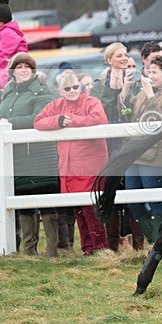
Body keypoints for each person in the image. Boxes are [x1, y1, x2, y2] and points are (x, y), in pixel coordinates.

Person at [0, 52, 60, 257]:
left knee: (46, 202)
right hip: (16, 156)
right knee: (23, 201)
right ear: (13, 71)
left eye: (27, 67)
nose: (23, 71)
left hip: (39, 156)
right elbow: (2, 113)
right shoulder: (8, 92)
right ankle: (30, 250)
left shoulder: (43, 92)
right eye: (19, 67)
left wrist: (9, 124)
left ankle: (52, 249)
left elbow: (38, 118)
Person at [34, 72, 110, 255]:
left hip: (90, 166)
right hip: (68, 167)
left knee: (91, 209)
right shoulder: (56, 106)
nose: (72, 91)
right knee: (79, 210)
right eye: (67, 88)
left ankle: (100, 247)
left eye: (75, 87)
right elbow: (38, 122)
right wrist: (58, 121)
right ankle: (88, 248)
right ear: (60, 91)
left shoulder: (91, 102)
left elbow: (99, 119)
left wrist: (73, 122)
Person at [89, 42, 142, 250]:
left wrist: (128, 87)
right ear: (109, 59)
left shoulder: (135, 81)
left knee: (131, 191)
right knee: (110, 193)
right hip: (106, 146)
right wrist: (114, 89)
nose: (124, 58)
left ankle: (136, 243)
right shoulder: (98, 85)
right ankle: (112, 245)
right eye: (119, 55)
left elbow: (139, 105)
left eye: (126, 55)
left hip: (129, 144)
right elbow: (97, 108)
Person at [124, 56, 162, 245]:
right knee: (133, 201)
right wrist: (125, 89)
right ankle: (153, 239)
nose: (150, 75)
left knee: (155, 200)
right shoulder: (141, 94)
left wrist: (149, 95)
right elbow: (126, 113)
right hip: (133, 153)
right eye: (149, 71)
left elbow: (161, 122)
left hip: (154, 154)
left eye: (155, 72)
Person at [0, 0, 28, 87]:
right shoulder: (3, 33)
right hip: (9, 66)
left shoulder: (7, 33)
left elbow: (4, 54)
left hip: (15, 66)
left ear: (0, 20)